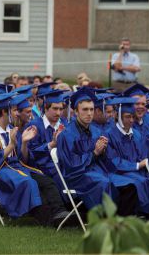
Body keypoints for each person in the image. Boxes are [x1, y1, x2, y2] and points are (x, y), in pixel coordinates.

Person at [0, 93, 70, 225]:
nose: (17, 114)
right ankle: (49, 220)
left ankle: (61, 212)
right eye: (14, 110)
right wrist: (11, 145)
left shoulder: (12, 129)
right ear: (4, 112)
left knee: (45, 180)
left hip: (17, 168)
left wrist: (24, 142)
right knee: (28, 182)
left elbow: (23, 159)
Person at [57, 88, 138, 216]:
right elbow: (71, 166)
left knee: (129, 184)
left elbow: (108, 161)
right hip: (78, 177)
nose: (89, 113)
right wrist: (94, 153)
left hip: (99, 171)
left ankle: (122, 223)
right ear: (76, 111)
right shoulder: (66, 135)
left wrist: (104, 150)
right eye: (85, 109)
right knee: (104, 184)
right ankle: (107, 222)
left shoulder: (97, 132)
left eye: (91, 109)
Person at [105, 97, 149, 217]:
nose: (131, 120)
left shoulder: (137, 134)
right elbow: (112, 161)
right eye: (127, 117)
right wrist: (137, 165)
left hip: (137, 171)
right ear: (118, 116)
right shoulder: (109, 134)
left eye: (132, 117)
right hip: (118, 172)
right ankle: (143, 214)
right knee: (140, 182)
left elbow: (143, 155)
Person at [26, 90, 67, 186]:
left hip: (63, 164)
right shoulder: (34, 126)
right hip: (42, 167)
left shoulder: (65, 124)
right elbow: (31, 153)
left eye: (61, 109)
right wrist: (51, 144)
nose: (58, 113)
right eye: (55, 109)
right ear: (46, 107)